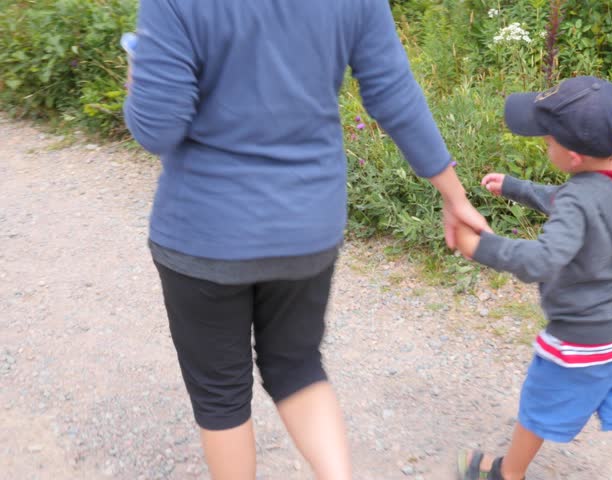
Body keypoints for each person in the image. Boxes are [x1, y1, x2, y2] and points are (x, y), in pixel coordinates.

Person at [122, 1, 487, 479]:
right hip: (307, 227)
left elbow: (157, 129)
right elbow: (394, 92)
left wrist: (137, 74)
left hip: (205, 233)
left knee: (221, 396)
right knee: (296, 366)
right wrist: (454, 195)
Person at [455, 76, 612, 480]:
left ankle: (507, 474)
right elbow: (574, 200)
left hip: (581, 342)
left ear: (571, 156)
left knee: (537, 408)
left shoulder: (578, 196)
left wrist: (479, 247)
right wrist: (515, 187)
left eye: (547, 140)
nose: (544, 144)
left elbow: (544, 258)